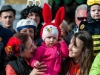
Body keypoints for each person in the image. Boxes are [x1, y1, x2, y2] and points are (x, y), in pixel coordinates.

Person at [30, 3, 68, 75]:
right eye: (49, 37)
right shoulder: (41, 49)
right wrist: (35, 63)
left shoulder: (58, 48)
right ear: (44, 38)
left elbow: (65, 54)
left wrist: (62, 43)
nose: (51, 40)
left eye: (54, 38)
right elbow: (34, 58)